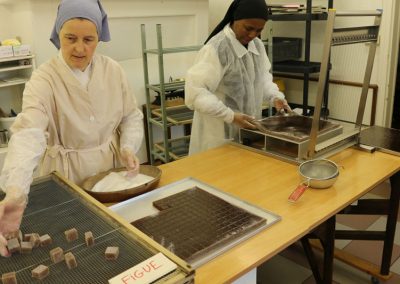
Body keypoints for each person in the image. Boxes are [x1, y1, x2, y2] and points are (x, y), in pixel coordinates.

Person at [0, 0, 144, 256]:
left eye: (88, 39)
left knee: (111, 238)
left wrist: (128, 147)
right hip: (64, 176)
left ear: (99, 38)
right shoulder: (44, 79)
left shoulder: (113, 71)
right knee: (71, 244)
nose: (79, 48)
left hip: (108, 172)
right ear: (57, 35)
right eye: (70, 38)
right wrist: (16, 191)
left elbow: (131, 115)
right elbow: (28, 133)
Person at [185, 0, 291, 155]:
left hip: (247, 129)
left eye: (259, 30)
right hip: (218, 133)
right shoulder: (217, 48)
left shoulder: (257, 46)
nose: (253, 35)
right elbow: (196, 93)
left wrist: (275, 97)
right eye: (248, 28)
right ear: (235, 18)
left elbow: (262, 78)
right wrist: (230, 116)